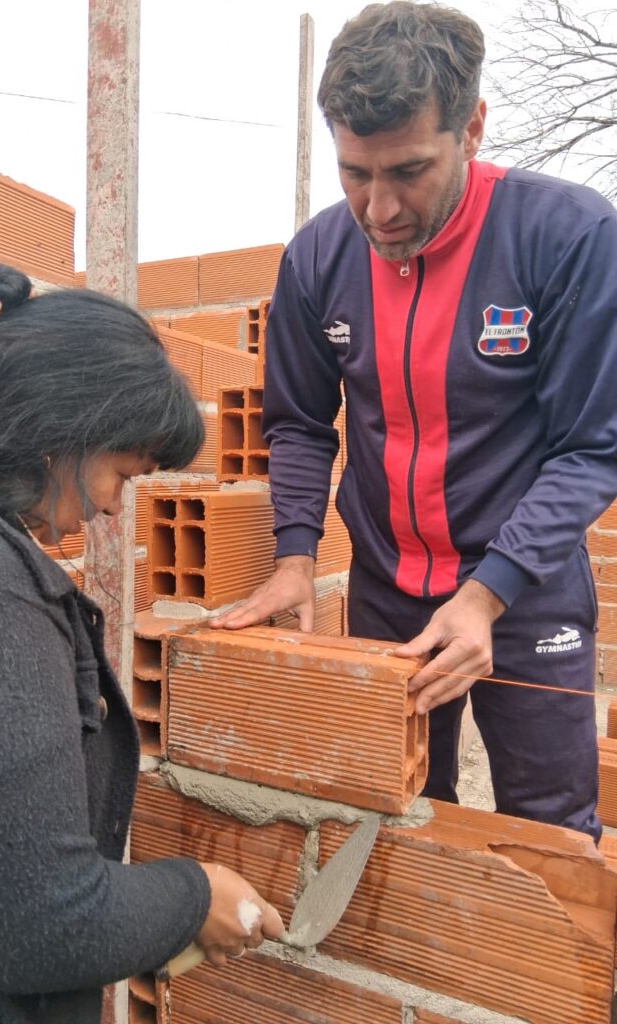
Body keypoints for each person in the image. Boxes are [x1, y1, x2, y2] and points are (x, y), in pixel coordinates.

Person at [214, 1, 617, 842]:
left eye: (408, 170)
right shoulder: (318, 258)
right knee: (398, 818)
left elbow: (590, 450)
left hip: (528, 594)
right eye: (354, 172)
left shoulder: (570, 237)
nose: (379, 208)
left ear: (471, 127)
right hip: (388, 590)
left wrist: (488, 595)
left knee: (548, 836)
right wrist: (294, 558)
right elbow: (298, 424)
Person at [0, 262, 283, 1024]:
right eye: (123, 472)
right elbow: (38, 924)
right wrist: (196, 898)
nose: (114, 508)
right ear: (64, 429)